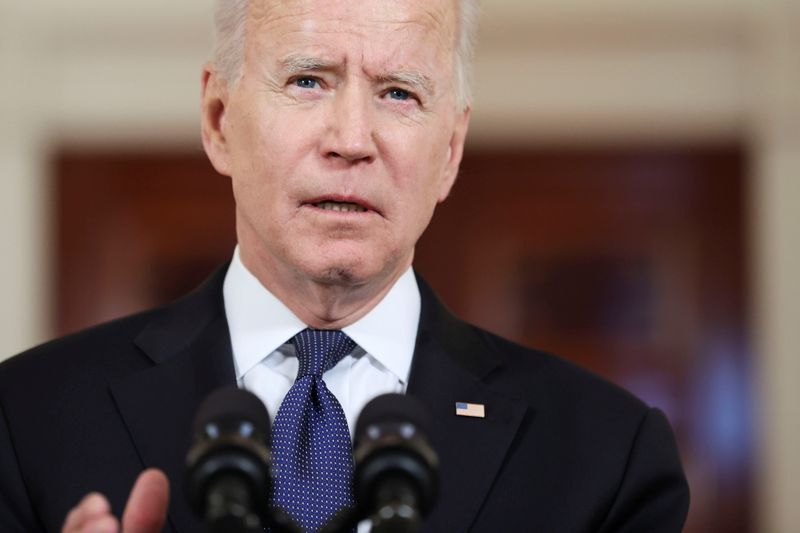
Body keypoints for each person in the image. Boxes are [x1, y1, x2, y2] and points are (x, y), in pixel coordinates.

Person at [0, 0, 690, 531]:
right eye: (308, 80)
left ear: (449, 152)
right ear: (217, 120)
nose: (352, 140)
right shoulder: (25, 419)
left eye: (398, 93)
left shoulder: (609, 455)